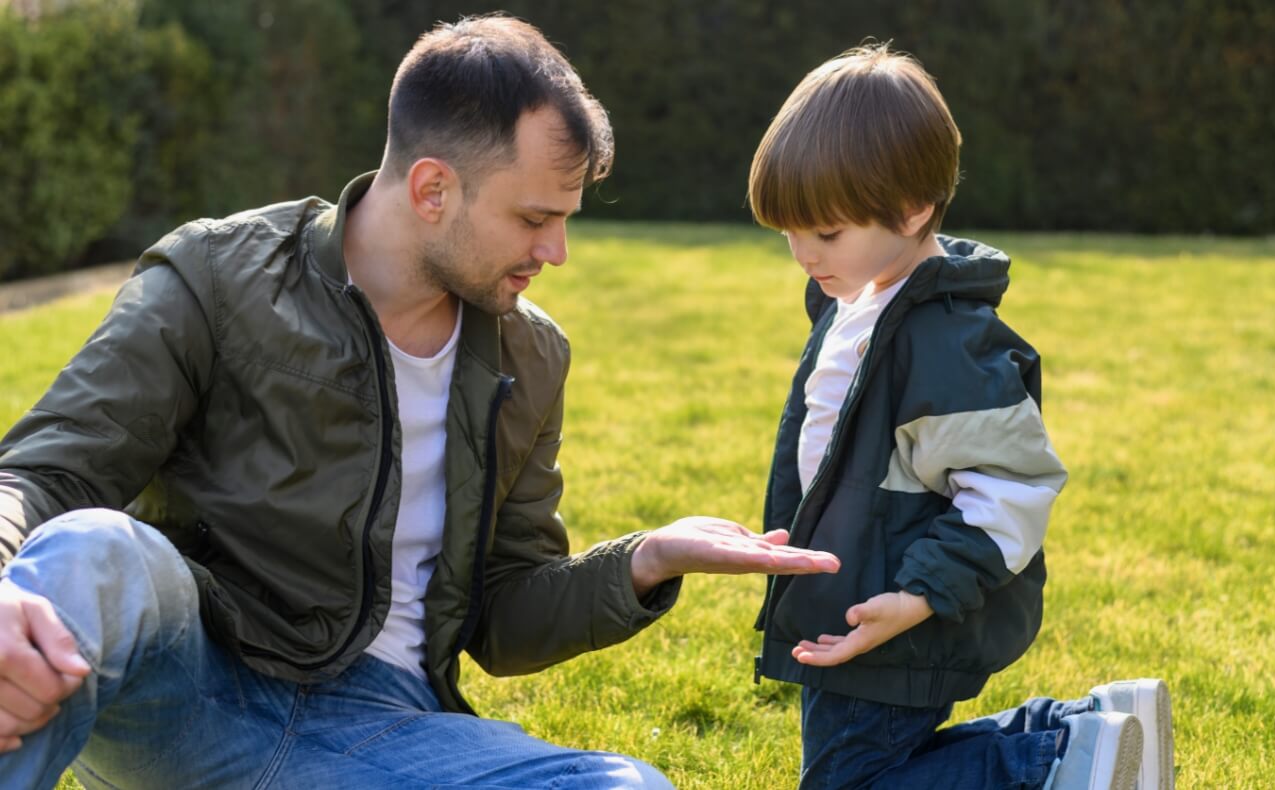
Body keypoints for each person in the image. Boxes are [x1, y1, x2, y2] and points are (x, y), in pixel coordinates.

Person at [0, 15, 841, 790]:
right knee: (92, 545)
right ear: (433, 189)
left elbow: (504, 612)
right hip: (186, 693)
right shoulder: (219, 277)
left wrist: (646, 560)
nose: (557, 252)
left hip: (381, 729)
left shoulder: (529, 354)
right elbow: (44, 470)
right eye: (534, 218)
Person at [746, 44, 1174, 790]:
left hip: (891, 611)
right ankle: (1086, 728)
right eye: (787, 230)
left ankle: (1050, 763)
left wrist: (913, 600)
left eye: (825, 233)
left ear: (911, 211)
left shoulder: (941, 341)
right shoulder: (863, 301)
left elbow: (1010, 491)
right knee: (890, 766)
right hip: (858, 596)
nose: (799, 254)